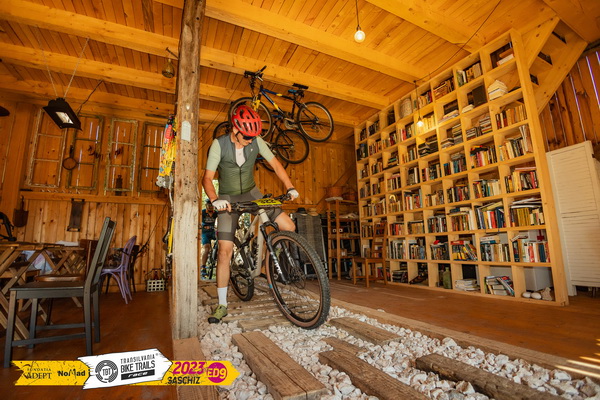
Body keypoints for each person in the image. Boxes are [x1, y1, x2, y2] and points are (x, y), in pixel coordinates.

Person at [202, 105, 299, 323]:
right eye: (247, 136)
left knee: (288, 226)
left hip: (252, 193)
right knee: (224, 252)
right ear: (235, 129)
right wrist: (215, 199)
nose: (250, 140)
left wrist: (290, 187)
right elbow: (207, 178)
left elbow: (276, 165)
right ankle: (222, 305)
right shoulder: (219, 144)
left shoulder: (255, 141)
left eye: (253, 137)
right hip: (227, 197)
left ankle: (265, 263)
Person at [200, 199, 217, 279]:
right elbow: (199, 221)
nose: (210, 207)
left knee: (221, 241)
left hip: (213, 232)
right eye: (209, 205)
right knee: (207, 248)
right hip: (205, 233)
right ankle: (203, 267)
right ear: (206, 205)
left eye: (212, 205)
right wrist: (203, 225)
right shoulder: (202, 212)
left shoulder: (216, 213)